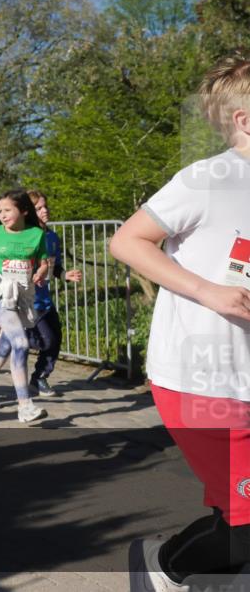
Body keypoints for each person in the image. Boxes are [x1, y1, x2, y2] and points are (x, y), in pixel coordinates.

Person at [109, 52, 249, 591]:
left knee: (235, 514)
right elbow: (127, 241)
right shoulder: (207, 179)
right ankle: (160, 567)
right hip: (201, 379)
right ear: (244, 120)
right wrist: (210, 292)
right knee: (246, 527)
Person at [0, 190, 82, 397]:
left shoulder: (51, 237)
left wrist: (65, 275)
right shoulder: (23, 237)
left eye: (46, 206)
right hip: (27, 300)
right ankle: (12, 340)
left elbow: (54, 266)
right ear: (27, 211)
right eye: (39, 208)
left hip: (45, 300)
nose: (45, 211)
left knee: (55, 339)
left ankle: (39, 377)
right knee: (45, 340)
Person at [0, 190, 50, 424]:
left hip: (23, 294)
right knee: (21, 342)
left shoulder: (37, 234)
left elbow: (44, 262)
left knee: (8, 341)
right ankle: (25, 405)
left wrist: (41, 272)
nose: (3, 215)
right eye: (0, 211)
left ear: (24, 210)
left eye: (7, 210)